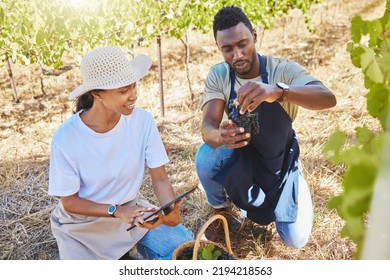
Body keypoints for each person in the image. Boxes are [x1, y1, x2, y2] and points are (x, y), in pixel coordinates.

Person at [195, 6, 336, 249]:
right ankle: (221, 209)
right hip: (245, 153)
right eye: (227, 49)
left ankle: (296, 182)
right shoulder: (219, 75)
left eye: (243, 44)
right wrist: (220, 135)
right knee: (206, 156)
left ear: (255, 37)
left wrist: (279, 92)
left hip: (280, 160)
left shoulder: (281, 70)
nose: (237, 54)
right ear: (219, 48)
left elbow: (327, 98)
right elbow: (207, 127)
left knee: (295, 240)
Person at [48, 46, 194, 260]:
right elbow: (70, 202)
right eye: (123, 91)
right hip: (83, 226)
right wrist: (114, 211)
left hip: (131, 213)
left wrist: (169, 212)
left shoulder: (142, 121)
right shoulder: (66, 138)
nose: (133, 96)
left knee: (188, 252)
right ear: (97, 93)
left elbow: (160, 177)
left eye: (134, 87)